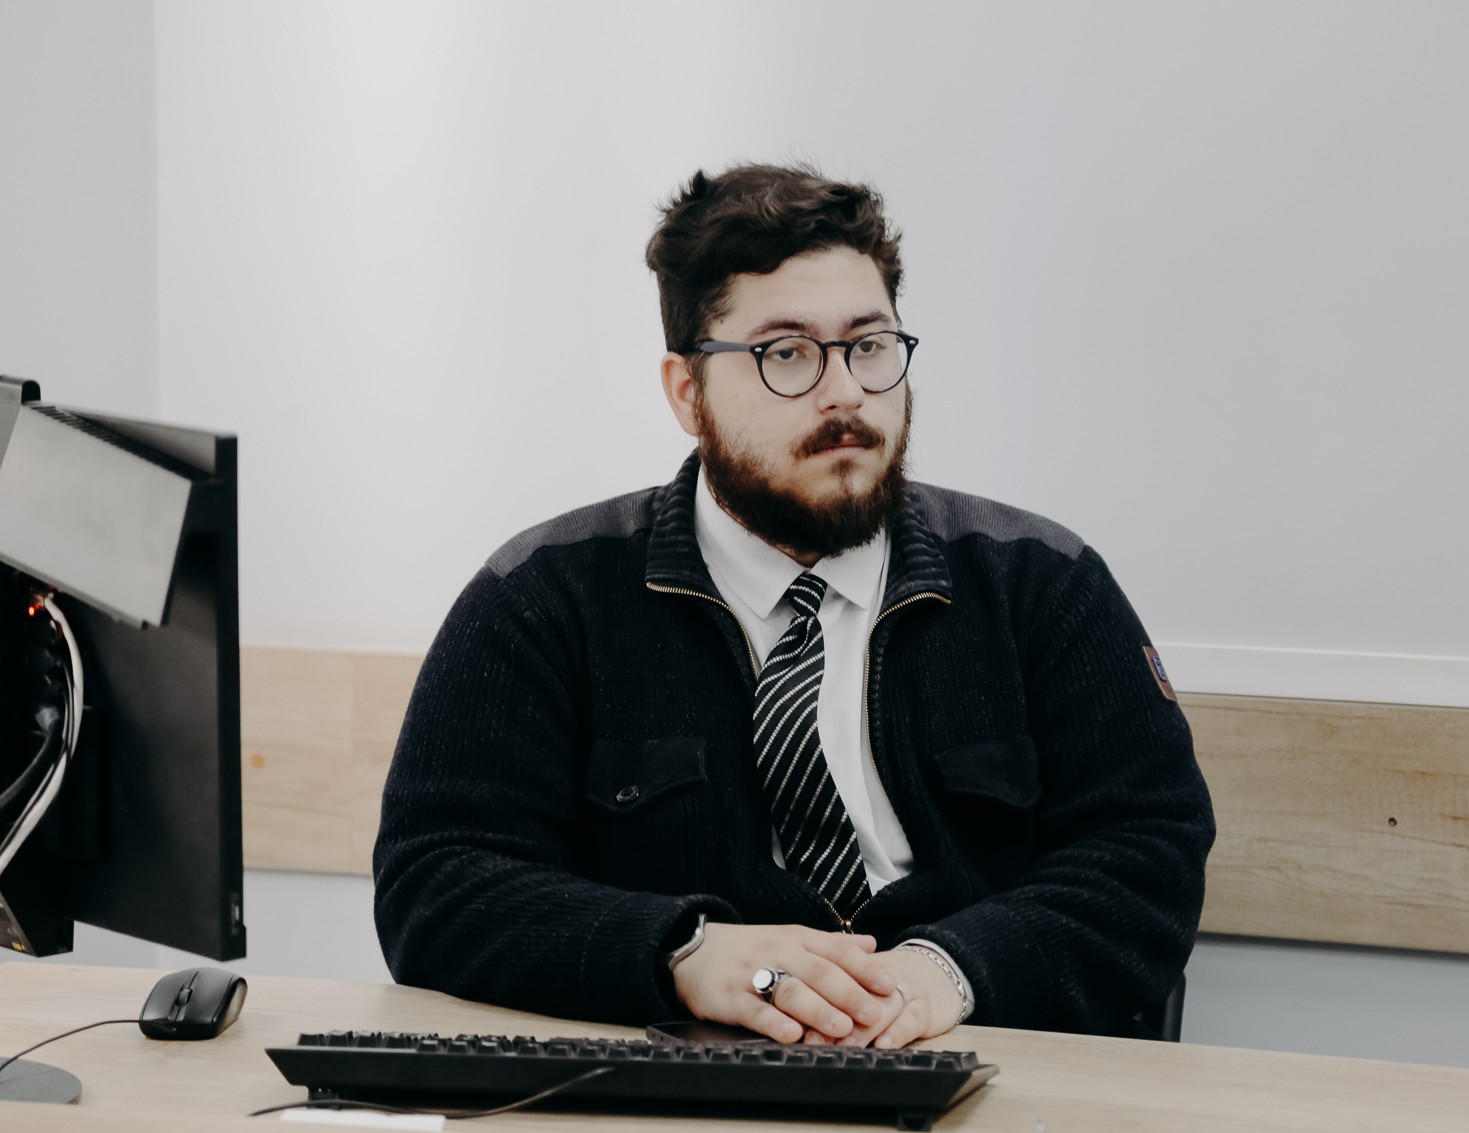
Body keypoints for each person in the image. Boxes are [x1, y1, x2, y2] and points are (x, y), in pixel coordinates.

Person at [373, 163, 1214, 1048]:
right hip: (684, 1076)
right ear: (687, 391)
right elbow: (437, 882)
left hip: (986, 1057)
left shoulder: (1040, 580)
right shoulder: (544, 597)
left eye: (869, 345)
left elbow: (1147, 855)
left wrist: (951, 970)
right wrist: (681, 951)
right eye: (786, 354)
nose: (845, 391)